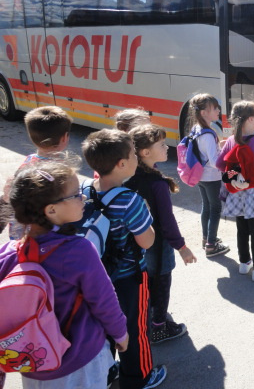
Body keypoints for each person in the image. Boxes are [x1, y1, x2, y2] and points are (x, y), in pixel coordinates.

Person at [0, 161, 129, 389]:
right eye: (76, 195)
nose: (83, 198)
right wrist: (121, 334)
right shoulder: (78, 250)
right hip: (80, 361)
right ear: (51, 210)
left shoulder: (8, 253)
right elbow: (104, 300)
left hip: (34, 364)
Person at [81, 129, 166, 389]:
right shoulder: (130, 200)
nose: (136, 158)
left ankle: (107, 371)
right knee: (135, 328)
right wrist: (147, 216)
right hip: (129, 278)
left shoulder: (85, 190)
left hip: (95, 277)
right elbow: (146, 241)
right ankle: (139, 377)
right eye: (132, 155)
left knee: (104, 326)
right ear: (121, 164)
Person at [126, 124, 197, 344]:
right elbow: (167, 222)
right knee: (161, 285)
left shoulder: (128, 176)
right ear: (145, 152)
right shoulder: (157, 184)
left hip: (136, 244)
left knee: (146, 285)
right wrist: (182, 247)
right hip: (158, 246)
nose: (167, 148)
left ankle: (146, 318)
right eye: (162, 145)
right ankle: (158, 328)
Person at [215, 101, 254, 282]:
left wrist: (236, 173)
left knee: (242, 230)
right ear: (250, 119)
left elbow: (220, 164)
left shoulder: (231, 140)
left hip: (236, 193)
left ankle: (244, 263)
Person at [2, 106, 73, 239]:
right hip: (44, 235)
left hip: (19, 231)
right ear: (65, 138)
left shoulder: (28, 161)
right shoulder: (61, 171)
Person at [187, 94, 229, 258]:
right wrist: (227, 162)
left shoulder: (196, 129)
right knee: (215, 209)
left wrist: (219, 146)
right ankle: (211, 245)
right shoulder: (208, 134)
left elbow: (204, 153)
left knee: (206, 206)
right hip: (212, 177)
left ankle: (206, 238)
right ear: (204, 112)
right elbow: (214, 161)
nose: (218, 111)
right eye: (215, 108)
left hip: (200, 176)